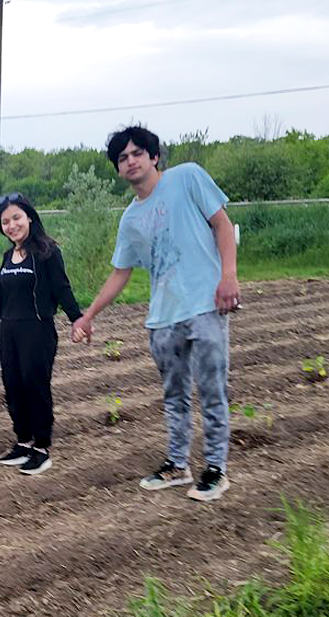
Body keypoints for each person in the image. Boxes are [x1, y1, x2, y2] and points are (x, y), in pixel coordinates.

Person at [70, 125, 241, 502]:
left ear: (153, 156)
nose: (130, 161)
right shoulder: (130, 220)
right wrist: (89, 315)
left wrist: (228, 276)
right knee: (174, 394)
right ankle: (178, 465)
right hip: (163, 316)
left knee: (212, 389)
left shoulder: (188, 178)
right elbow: (121, 273)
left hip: (205, 305)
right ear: (118, 169)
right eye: (122, 158)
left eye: (136, 153)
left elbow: (222, 224)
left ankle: (216, 469)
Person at [0, 193, 83, 475]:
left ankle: (41, 448)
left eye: (16, 218)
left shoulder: (46, 251)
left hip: (37, 330)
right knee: (13, 386)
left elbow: (63, 288)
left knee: (35, 386)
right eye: (5, 221)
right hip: (10, 331)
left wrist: (78, 319)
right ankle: (23, 441)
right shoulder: (7, 256)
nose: (11, 225)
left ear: (29, 217)